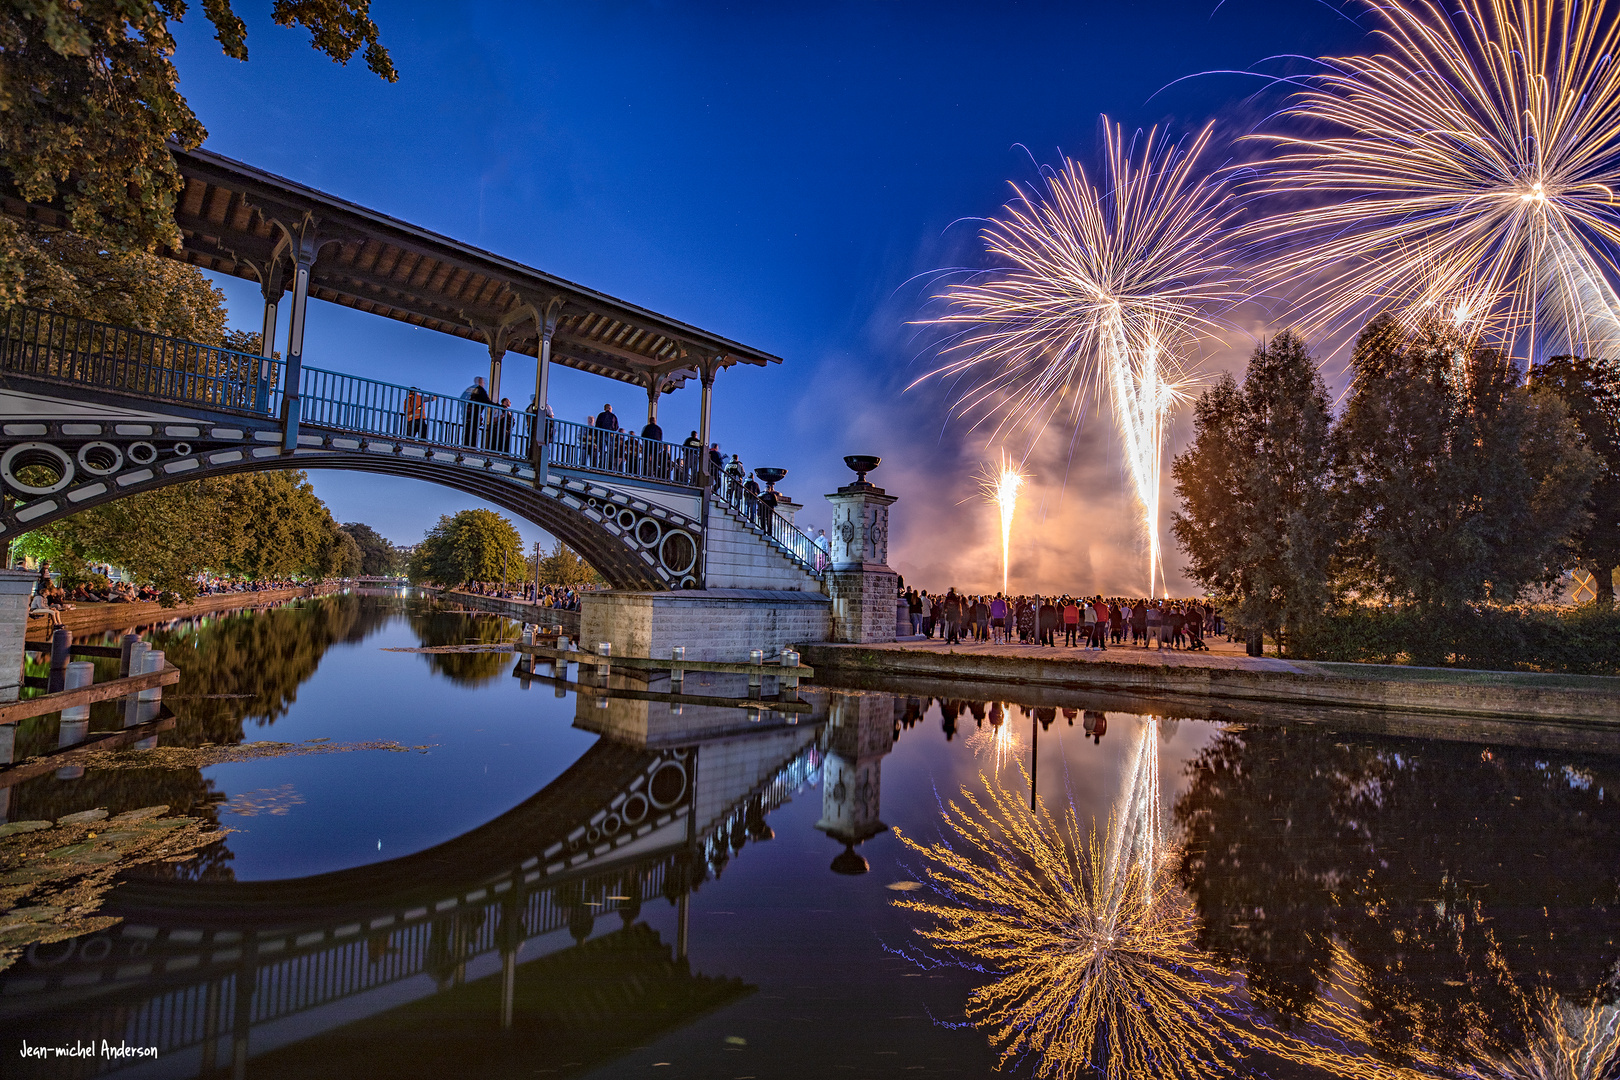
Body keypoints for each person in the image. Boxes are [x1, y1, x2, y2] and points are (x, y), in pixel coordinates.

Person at [461, 376, 492, 448]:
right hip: (475, 413)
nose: (484, 383)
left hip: (468, 413)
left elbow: (463, 398)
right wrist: (498, 406)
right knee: (474, 431)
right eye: (483, 382)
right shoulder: (480, 390)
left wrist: (464, 409)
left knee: (468, 429)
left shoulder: (470, 389)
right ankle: (472, 447)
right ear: (480, 382)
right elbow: (487, 401)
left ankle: (466, 445)